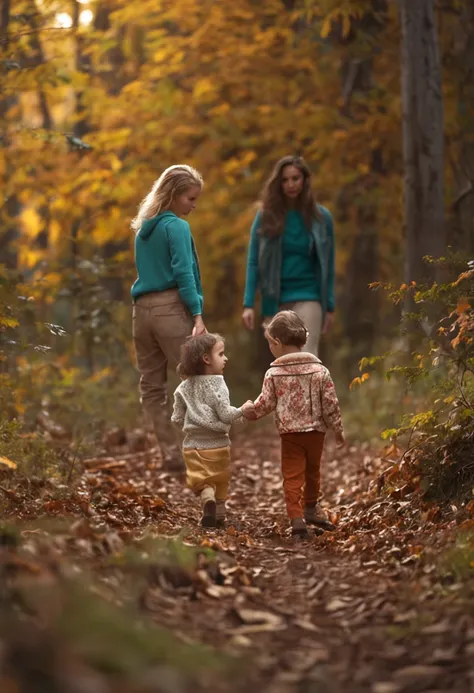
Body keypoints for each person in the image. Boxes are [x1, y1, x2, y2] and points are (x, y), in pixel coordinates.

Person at [241, 311, 344, 536]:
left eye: (270, 343)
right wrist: (337, 429)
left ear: (277, 343)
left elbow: (265, 403)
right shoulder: (320, 371)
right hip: (316, 433)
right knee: (313, 472)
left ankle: (296, 518)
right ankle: (310, 508)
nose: (270, 348)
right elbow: (330, 403)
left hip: (290, 435)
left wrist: (251, 412)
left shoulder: (274, 373)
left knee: (292, 474)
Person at [131, 165, 206, 471]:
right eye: (190, 198)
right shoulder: (176, 227)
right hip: (171, 308)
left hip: (141, 312)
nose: (194, 204)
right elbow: (183, 273)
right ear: (174, 195)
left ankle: (170, 454)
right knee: (200, 379)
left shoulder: (143, 229)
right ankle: (202, 450)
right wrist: (197, 313)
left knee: (152, 387)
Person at [242, 155, 336, 357]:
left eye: (295, 178)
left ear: (305, 180)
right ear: (278, 183)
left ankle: (312, 390)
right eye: (285, 180)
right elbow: (253, 262)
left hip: (309, 296)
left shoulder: (321, 218)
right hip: (274, 299)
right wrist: (248, 304)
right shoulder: (266, 216)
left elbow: (329, 264)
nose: (290, 184)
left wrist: (329, 306)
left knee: (307, 358)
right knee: (282, 362)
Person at [171, 333, 254, 527]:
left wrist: (191, 425)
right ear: (207, 359)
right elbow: (225, 415)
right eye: (221, 354)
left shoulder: (183, 387)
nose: (226, 358)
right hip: (218, 445)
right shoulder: (218, 383)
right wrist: (242, 411)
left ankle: (206, 497)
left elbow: (176, 419)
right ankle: (219, 516)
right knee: (220, 480)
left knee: (201, 480)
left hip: (192, 446)